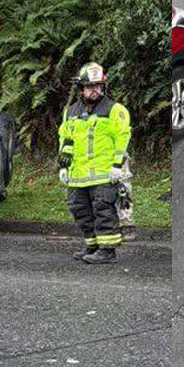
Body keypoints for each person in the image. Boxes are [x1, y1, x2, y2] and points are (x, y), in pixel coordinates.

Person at [58, 63, 131, 264]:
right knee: (80, 210)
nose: (95, 90)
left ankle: (108, 251)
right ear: (81, 88)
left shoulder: (115, 110)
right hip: (78, 175)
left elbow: (122, 138)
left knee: (103, 210)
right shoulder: (71, 111)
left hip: (104, 173)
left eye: (98, 86)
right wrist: (64, 166)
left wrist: (117, 166)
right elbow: (65, 140)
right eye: (90, 87)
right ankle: (92, 245)